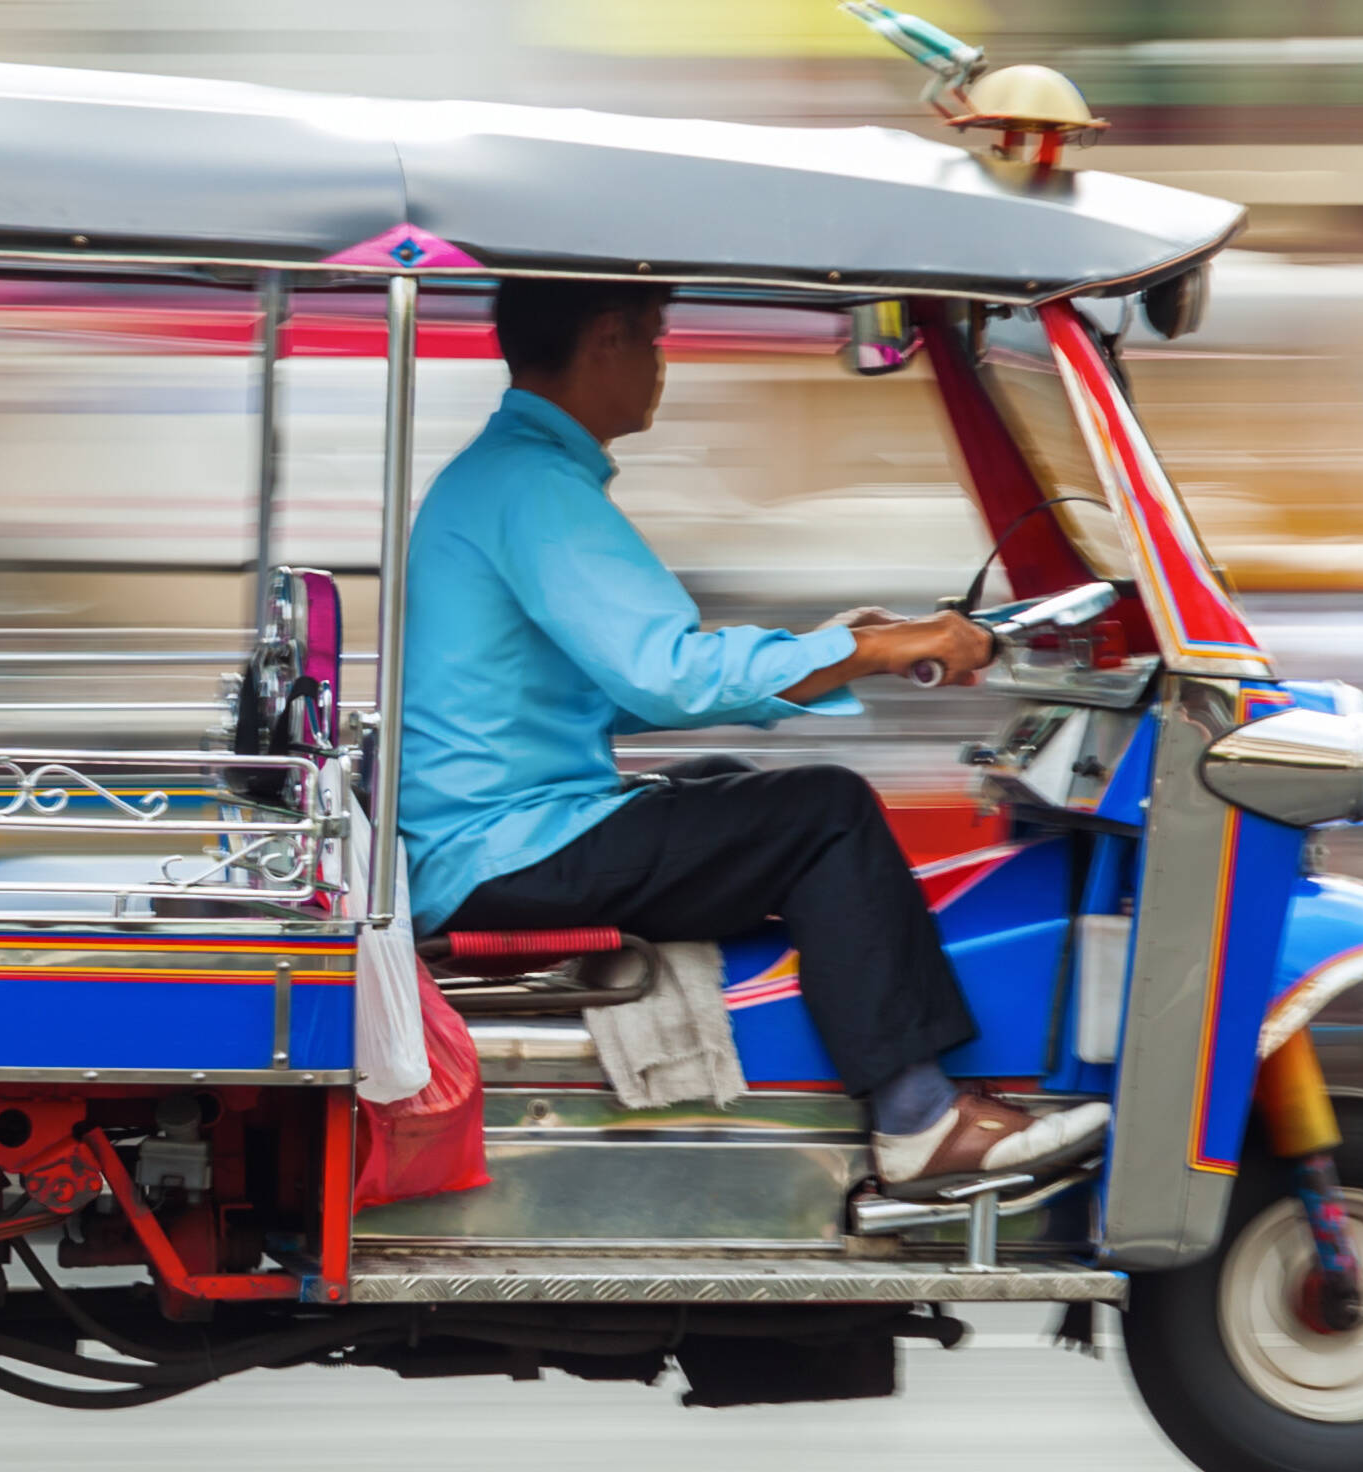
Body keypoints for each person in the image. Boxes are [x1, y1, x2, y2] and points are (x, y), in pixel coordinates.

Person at [397, 278, 1108, 1189]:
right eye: (655, 341)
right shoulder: (534, 487)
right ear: (607, 338)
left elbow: (596, 689)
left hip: (490, 833)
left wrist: (847, 650)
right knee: (825, 811)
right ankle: (917, 1117)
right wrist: (870, 648)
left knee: (735, 784)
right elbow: (668, 673)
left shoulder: (507, 475)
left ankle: (809, 1050)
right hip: (498, 851)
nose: (662, 366)